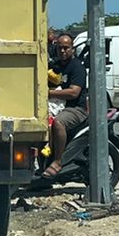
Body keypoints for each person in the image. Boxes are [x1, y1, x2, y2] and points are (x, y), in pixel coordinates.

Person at [42, 32, 88, 177]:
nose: (63, 51)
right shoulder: (54, 65)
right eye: (60, 48)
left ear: (72, 49)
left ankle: (57, 161)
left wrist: (49, 93)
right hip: (57, 106)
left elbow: (74, 92)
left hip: (76, 108)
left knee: (59, 123)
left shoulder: (77, 67)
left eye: (66, 48)